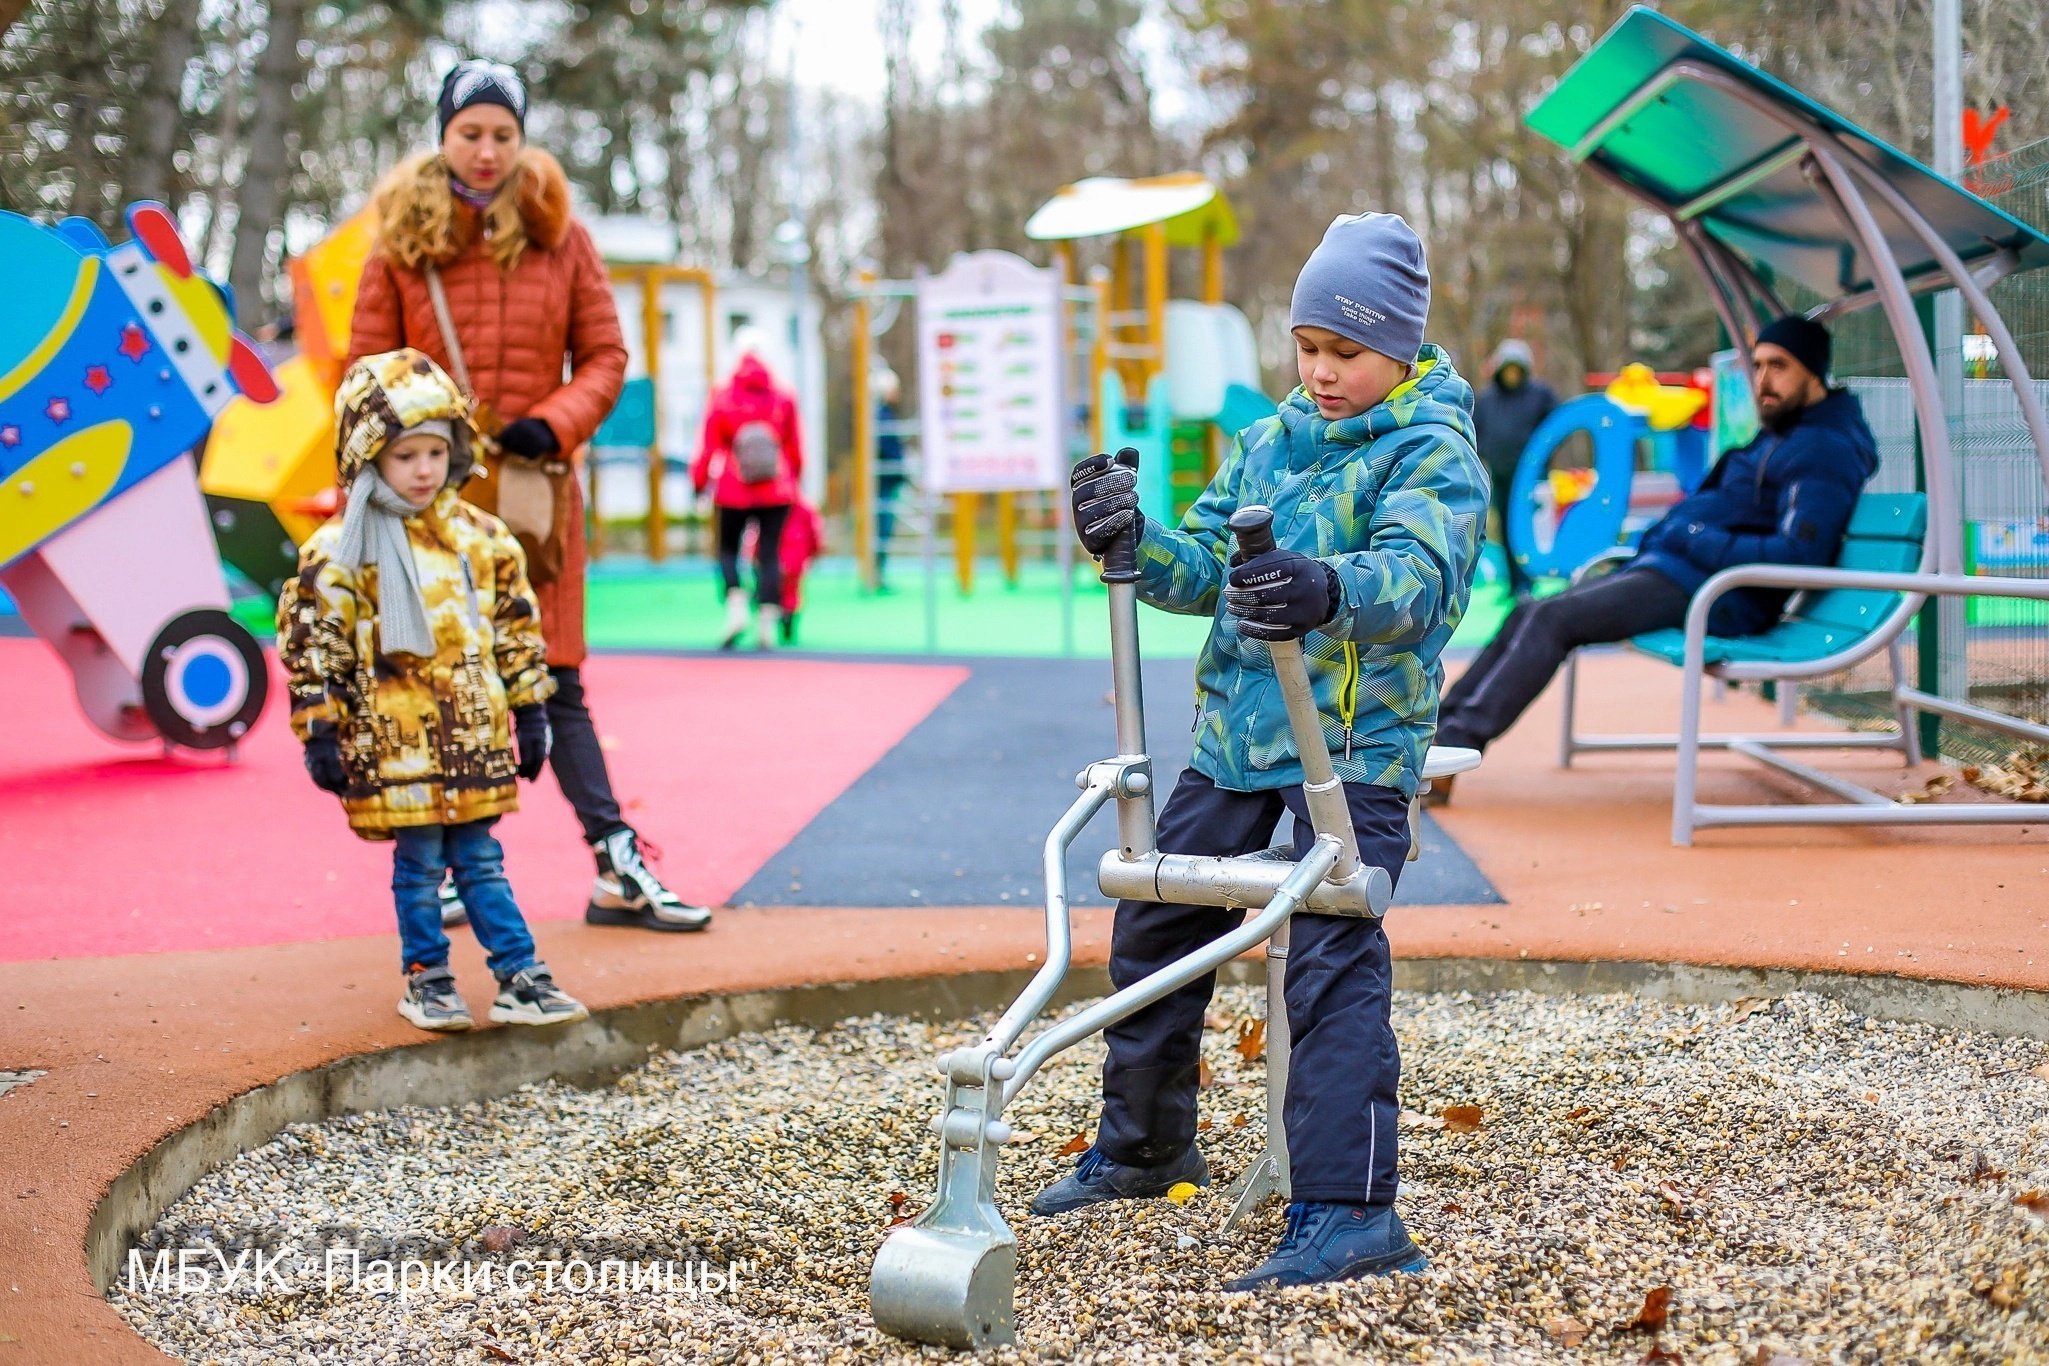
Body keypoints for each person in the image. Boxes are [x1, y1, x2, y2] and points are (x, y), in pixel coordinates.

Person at [1044, 213, 1487, 1290]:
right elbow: (1199, 562)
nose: (1322, 372)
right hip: (1239, 739)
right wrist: (1130, 542)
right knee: (1155, 915)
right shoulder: (1269, 440)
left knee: (1332, 949)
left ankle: (1347, 1208)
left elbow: (1423, 580)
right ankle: (1147, 1145)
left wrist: (1327, 586)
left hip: (1352, 748)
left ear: (1402, 346)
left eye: (1347, 352)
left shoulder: (1433, 448)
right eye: (1308, 347)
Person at [348, 58, 710, 934]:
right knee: (437, 682)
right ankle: (444, 870)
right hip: (428, 500)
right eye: (469, 132)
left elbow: (606, 355)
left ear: (522, 139)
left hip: (535, 498)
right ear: (443, 135)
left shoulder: (562, 234)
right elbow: (360, 374)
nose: (485, 150)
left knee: (558, 679)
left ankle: (616, 864)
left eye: (501, 134)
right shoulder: (398, 238)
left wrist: (556, 422)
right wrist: (415, 449)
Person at [1431, 315, 1877, 798]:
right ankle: (1434, 740)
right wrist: (1680, 535)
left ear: (1814, 373)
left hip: (1720, 593)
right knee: (1530, 610)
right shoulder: (1785, 434)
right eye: (1759, 366)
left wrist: (1696, 535)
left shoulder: (1824, 450)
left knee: (1553, 620)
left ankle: (1451, 752)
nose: (1763, 381)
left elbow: (1799, 555)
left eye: (1780, 367)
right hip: (1681, 570)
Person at [279, 349, 589, 1032]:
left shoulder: (481, 539)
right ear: (367, 458)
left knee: (481, 859)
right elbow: (314, 642)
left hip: (470, 735)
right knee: (419, 867)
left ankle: (519, 974)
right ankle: (428, 976)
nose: (423, 470)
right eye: (403, 456)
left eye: (434, 451)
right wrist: (320, 728)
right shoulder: (340, 549)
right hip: (393, 744)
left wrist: (531, 708)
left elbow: (514, 627)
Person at [693, 337, 803, 649]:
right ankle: (767, 622)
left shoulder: (724, 396)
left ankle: (736, 608)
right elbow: (795, 447)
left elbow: (709, 443)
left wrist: (699, 481)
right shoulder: (783, 396)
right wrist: (794, 482)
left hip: (733, 487)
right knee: (768, 554)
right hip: (776, 487)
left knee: (727, 549)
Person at [1470, 339, 1558, 596]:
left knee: (1527, 530)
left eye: (1515, 370)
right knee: (1507, 528)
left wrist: (1542, 459)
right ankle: (1513, 583)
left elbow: (1555, 428)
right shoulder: (1488, 399)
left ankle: (1528, 580)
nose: (1511, 375)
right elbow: (1476, 431)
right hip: (1502, 475)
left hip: (1530, 478)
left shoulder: (1540, 395)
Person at [872, 369, 908, 590]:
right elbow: (889, 448)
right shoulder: (881, 415)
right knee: (882, 528)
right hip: (884, 483)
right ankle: (877, 574)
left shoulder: (883, 414)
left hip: (887, 481)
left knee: (884, 528)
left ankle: (879, 573)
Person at [776, 497, 822, 643]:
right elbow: (815, 534)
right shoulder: (805, 508)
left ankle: (781, 617)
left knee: (775, 591)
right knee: (792, 592)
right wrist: (814, 552)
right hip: (796, 557)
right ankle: (789, 618)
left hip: (776, 558)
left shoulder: (773, 507)